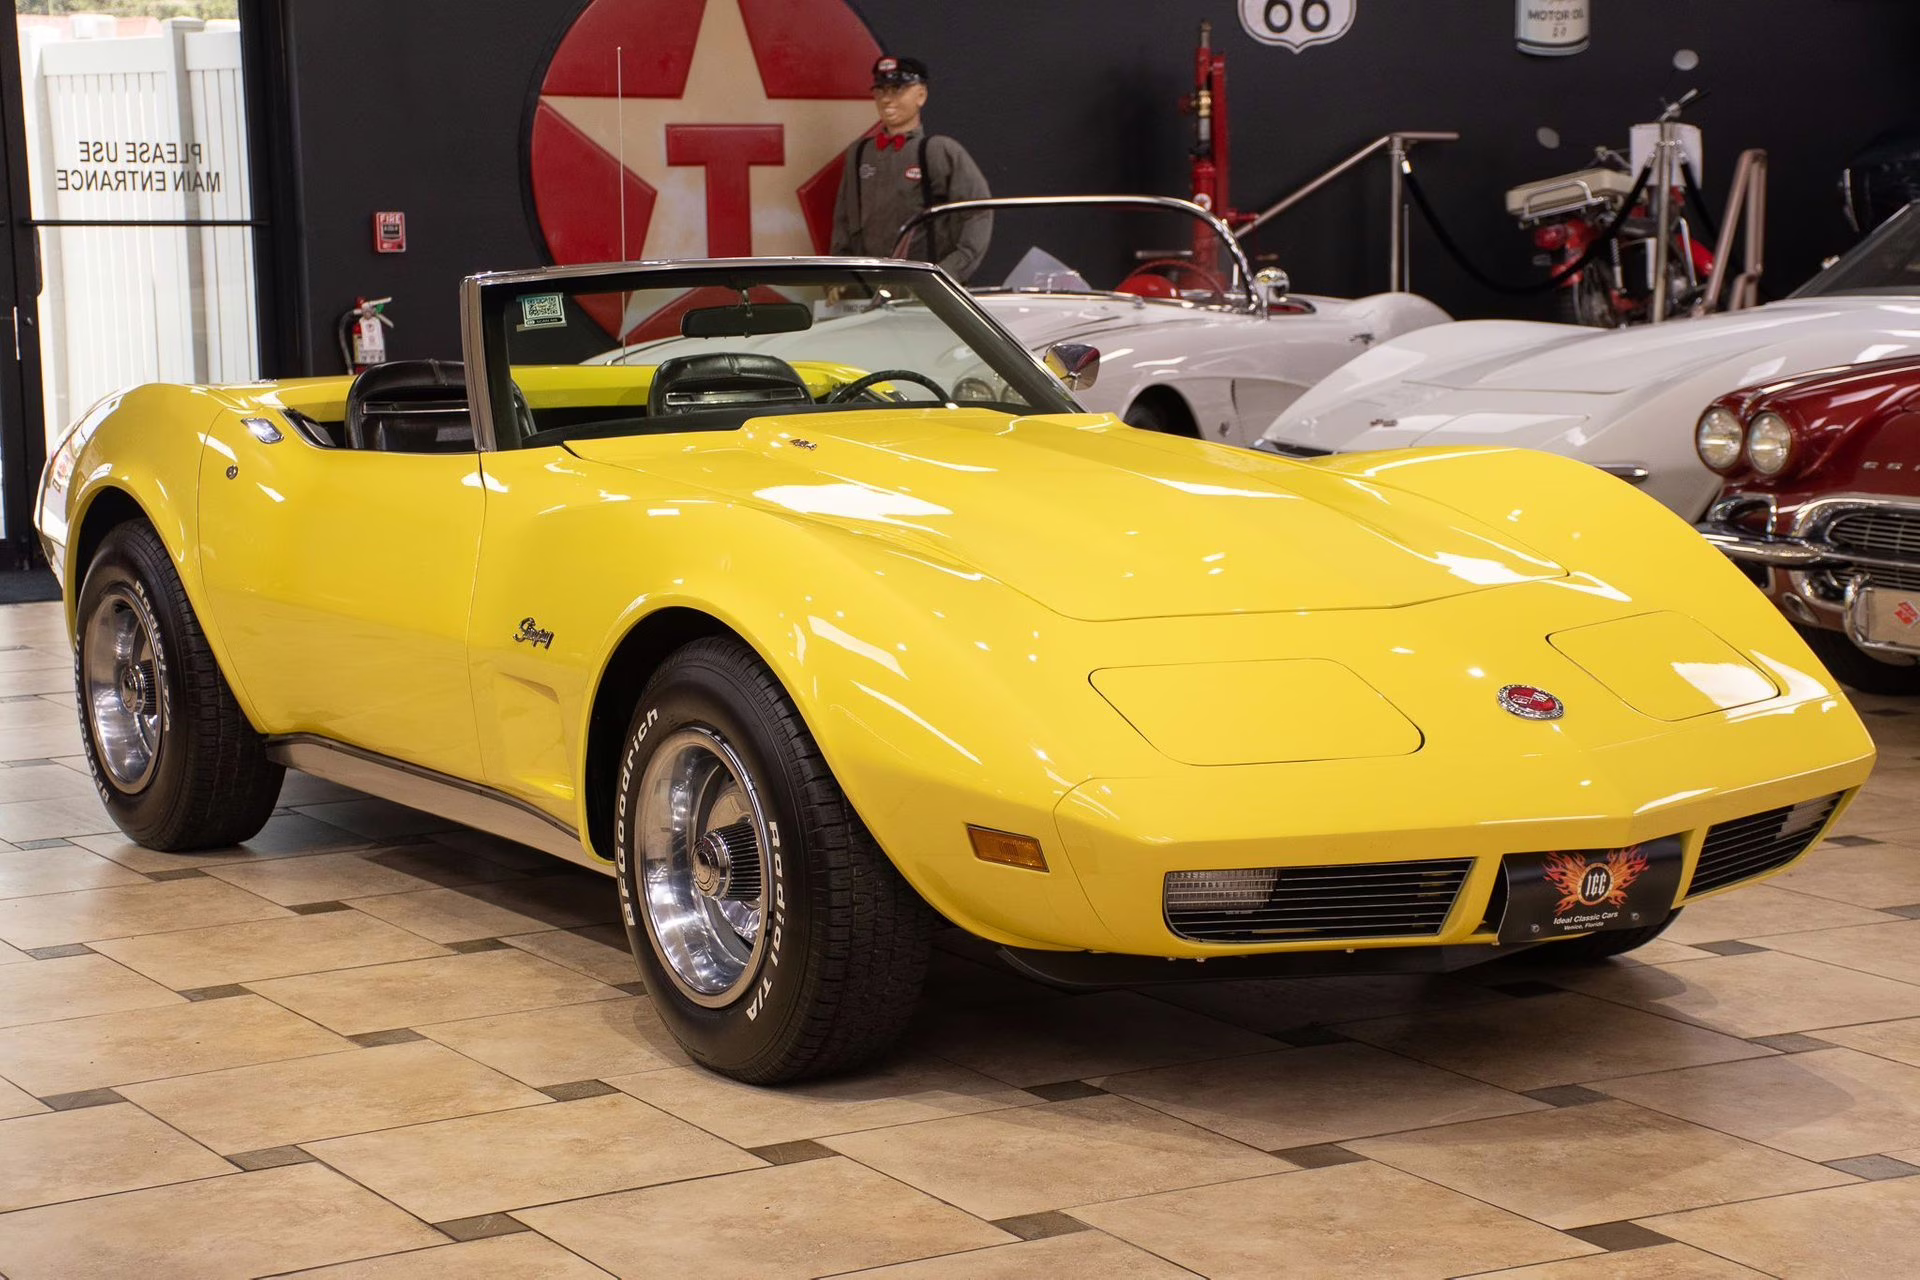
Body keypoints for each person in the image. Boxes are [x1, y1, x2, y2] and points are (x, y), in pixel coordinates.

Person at [830, 55, 991, 282]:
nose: (887, 99)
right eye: (880, 91)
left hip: (925, 283)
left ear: (921, 95)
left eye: (897, 90)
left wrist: (950, 270)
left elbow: (977, 213)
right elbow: (845, 221)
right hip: (870, 283)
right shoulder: (860, 154)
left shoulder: (939, 151)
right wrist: (843, 277)